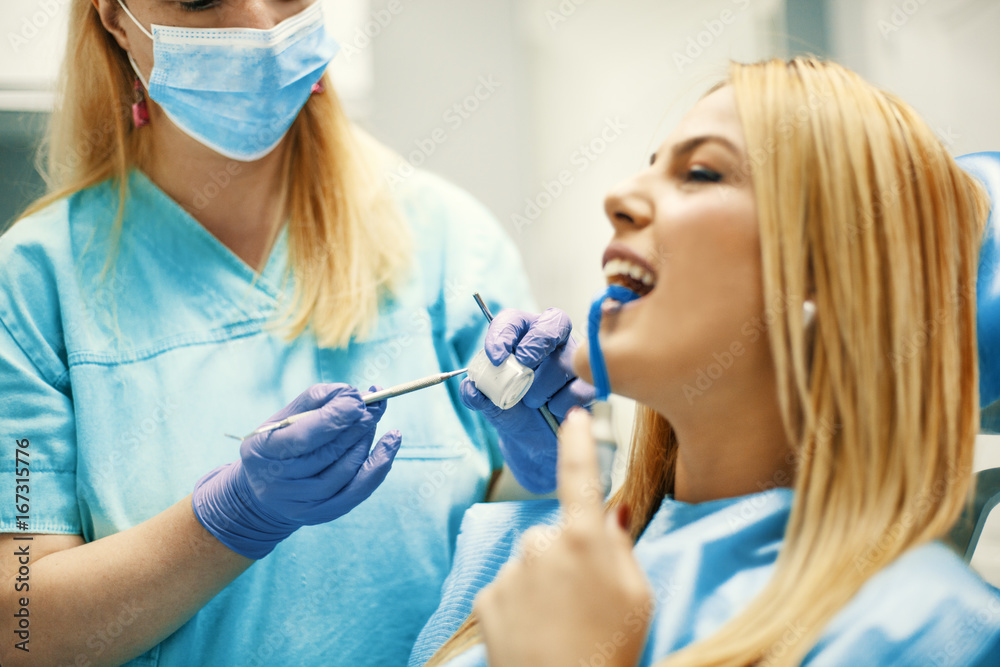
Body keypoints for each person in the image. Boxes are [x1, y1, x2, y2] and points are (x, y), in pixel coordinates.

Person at [0, 1, 590, 665]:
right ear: (114, 18)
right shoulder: (34, 286)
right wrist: (230, 519)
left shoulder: (448, 240)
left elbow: (528, 550)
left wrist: (542, 469)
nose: (261, 29)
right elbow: (17, 624)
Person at [412, 57, 1000, 666]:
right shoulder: (540, 560)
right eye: (652, 167)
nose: (618, 197)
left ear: (831, 277)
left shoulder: (923, 630)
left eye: (700, 171)